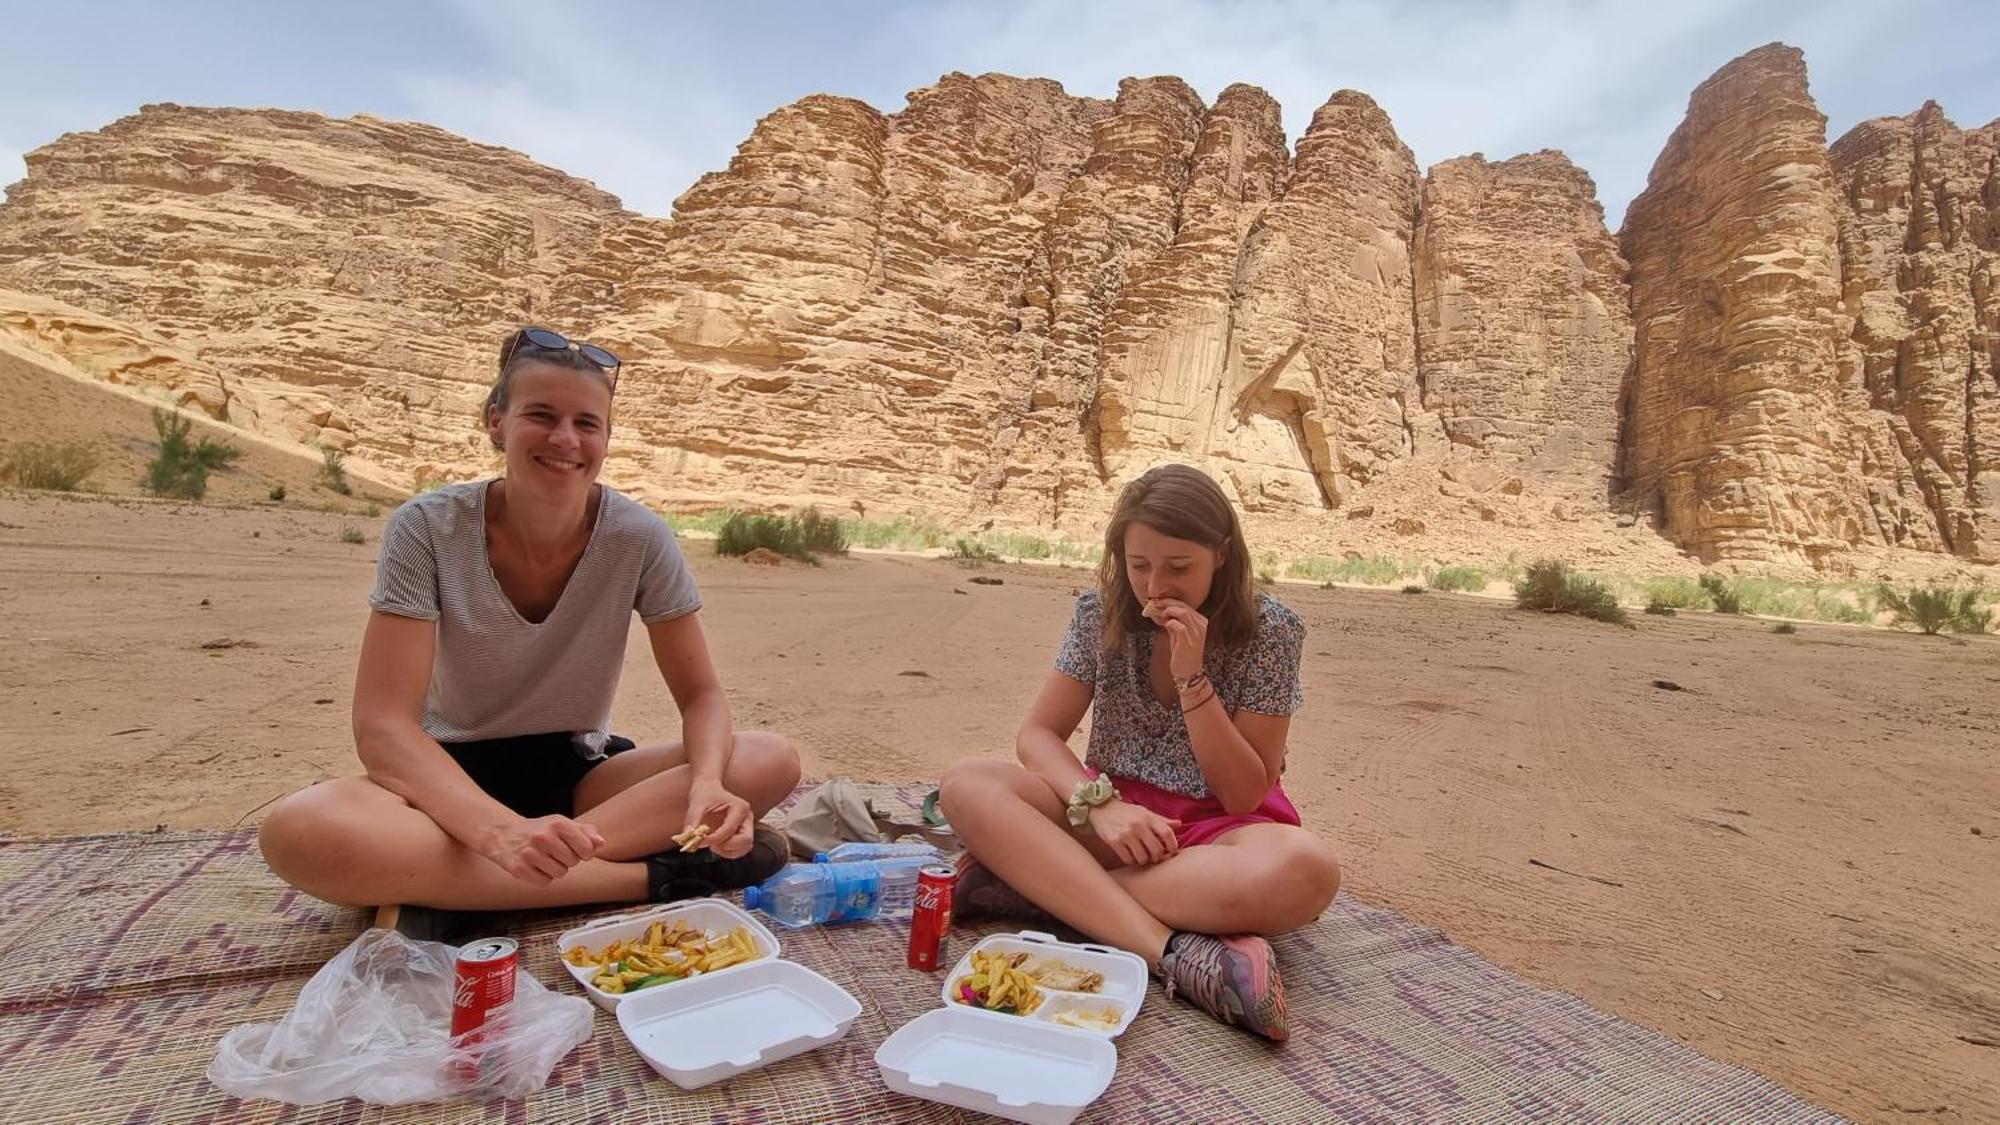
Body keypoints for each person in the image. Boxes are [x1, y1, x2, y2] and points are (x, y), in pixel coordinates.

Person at [259, 326, 800, 915]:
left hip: (581, 780)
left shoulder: (638, 536)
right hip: (447, 781)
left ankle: (456, 887)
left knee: (767, 758)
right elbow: (384, 727)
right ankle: (657, 877)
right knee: (301, 830)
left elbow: (701, 696)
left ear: (606, 438)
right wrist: (497, 833)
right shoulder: (427, 528)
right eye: (541, 415)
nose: (564, 439)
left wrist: (706, 788)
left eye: (587, 423)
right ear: (497, 422)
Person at [938, 463, 1340, 1041]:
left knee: (1305, 871)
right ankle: (1174, 954)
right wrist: (1098, 805)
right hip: (1113, 821)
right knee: (969, 784)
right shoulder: (1099, 612)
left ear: (1221, 555)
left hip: (1219, 833)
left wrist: (1192, 677)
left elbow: (1244, 792)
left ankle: (1031, 888)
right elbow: (1038, 737)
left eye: (1179, 568)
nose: (1155, 588)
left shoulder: (1271, 632)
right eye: (1138, 565)